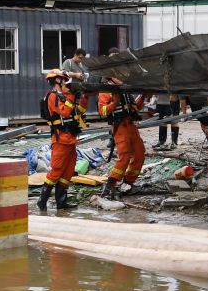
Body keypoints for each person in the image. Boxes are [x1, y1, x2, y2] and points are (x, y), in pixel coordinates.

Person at [39, 68, 89, 211]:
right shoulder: (53, 96)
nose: (66, 82)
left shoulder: (64, 97)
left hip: (70, 139)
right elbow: (65, 112)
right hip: (60, 140)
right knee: (56, 171)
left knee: (67, 172)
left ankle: (61, 202)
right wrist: (71, 96)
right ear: (57, 80)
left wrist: (85, 98)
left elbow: (78, 112)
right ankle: (42, 201)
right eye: (64, 79)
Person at [97, 77, 145, 199]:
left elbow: (135, 107)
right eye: (118, 76)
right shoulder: (106, 91)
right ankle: (110, 185)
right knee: (124, 156)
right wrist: (114, 103)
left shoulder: (125, 90)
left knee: (139, 153)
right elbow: (102, 111)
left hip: (131, 125)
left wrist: (144, 97)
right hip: (120, 126)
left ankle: (128, 182)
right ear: (111, 77)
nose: (122, 78)